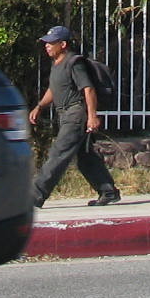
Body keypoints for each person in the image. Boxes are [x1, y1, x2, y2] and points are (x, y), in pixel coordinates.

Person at [29, 25, 120, 207]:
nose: (47, 46)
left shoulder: (74, 63)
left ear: (63, 44)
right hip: (65, 114)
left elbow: (88, 89)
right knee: (86, 157)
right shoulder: (57, 65)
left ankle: (35, 195)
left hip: (76, 113)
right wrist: (39, 106)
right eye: (46, 43)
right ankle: (108, 191)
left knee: (58, 153)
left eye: (51, 43)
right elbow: (54, 90)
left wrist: (92, 116)